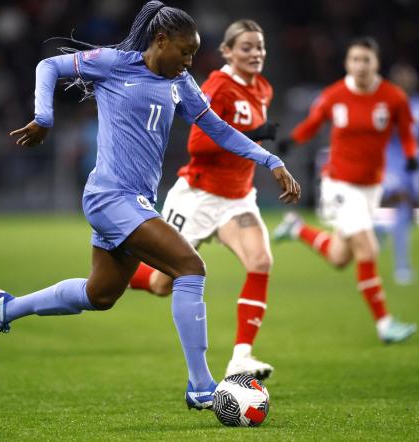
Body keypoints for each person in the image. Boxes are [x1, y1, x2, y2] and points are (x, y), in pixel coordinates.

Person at [0, 1, 300, 411]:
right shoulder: (113, 63)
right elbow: (48, 67)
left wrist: (270, 160)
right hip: (109, 196)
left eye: (193, 55)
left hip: (138, 201)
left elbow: (218, 128)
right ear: (160, 40)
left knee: (100, 294)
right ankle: (201, 386)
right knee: (191, 267)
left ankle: (7, 308)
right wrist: (44, 117)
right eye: (184, 51)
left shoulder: (181, 83)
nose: (188, 61)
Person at [128, 19, 279, 380]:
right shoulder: (217, 86)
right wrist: (254, 134)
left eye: (259, 47)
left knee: (260, 260)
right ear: (227, 51)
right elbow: (197, 144)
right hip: (198, 195)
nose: (255, 53)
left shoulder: (263, 88)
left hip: (237, 198)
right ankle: (117, 273)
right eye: (246, 47)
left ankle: (241, 357)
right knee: (162, 284)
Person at [273, 37, 417, 344]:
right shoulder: (334, 95)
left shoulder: (393, 98)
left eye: (366, 60)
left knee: (340, 257)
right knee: (368, 249)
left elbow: (405, 132)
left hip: (370, 187)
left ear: (376, 64)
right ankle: (385, 324)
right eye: (355, 60)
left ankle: (297, 229)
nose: (360, 65)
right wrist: (292, 141)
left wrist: (412, 157)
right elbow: (312, 123)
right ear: (347, 63)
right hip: (339, 183)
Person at [376, 63, 419, 285]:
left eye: (409, 76)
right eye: (401, 77)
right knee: (400, 203)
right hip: (391, 161)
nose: (406, 80)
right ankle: (402, 268)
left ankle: (378, 230)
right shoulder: (384, 104)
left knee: (409, 215)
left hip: (414, 162)